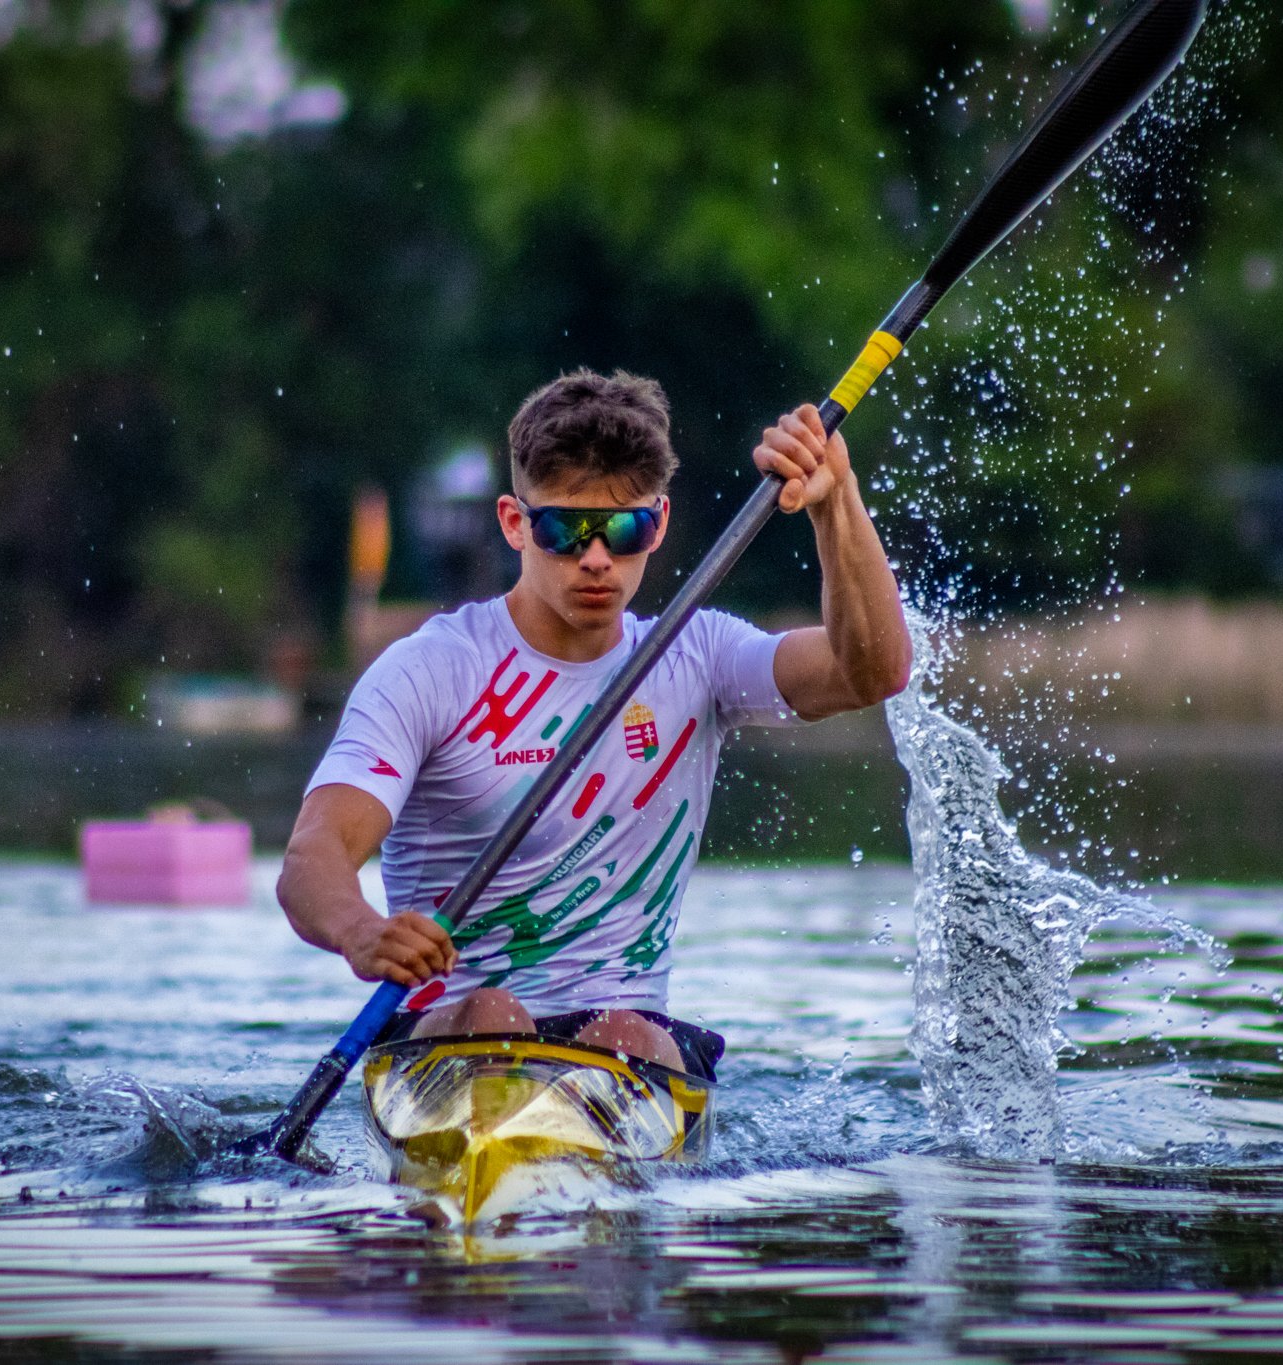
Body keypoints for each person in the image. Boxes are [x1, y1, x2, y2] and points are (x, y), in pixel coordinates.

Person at [277, 369, 910, 1078]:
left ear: (660, 524)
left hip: (627, 1038)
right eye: (565, 531)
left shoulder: (697, 654)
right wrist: (362, 932)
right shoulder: (429, 670)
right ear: (515, 523)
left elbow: (870, 672)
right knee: (495, 1015)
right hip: (452, 1029)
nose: (598, 558)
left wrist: (837, 505)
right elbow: (312, 856)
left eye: (624, 528)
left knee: (625, 1034)